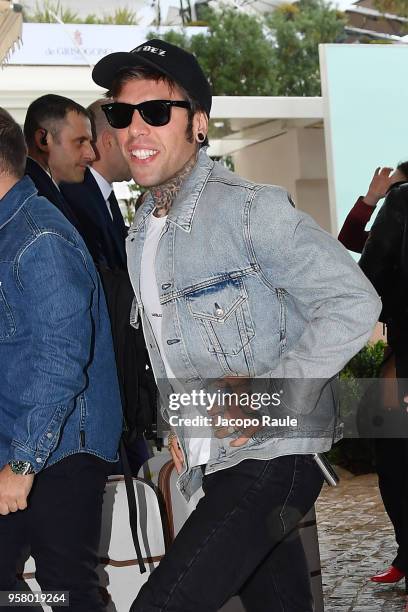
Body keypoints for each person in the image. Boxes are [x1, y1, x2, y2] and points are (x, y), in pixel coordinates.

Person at [92, 39, 381, 611]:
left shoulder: (247, 209)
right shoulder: (141, 232)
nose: (134, 129)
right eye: (122, 114)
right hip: (217, 463)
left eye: (155, 112)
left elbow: (353, 300)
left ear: (198, 124)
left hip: (271, 458)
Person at [0, 107, 122, 611]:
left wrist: (23, 462)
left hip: (57, 450)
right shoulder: (14, 231)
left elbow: (59, 358)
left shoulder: (38, 237)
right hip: (30, 445)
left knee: (68, 588)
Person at [61, 98, 153, 473]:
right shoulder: (75, 196)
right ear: (108, 141)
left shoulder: (105, 198)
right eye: (127, 133)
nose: (137, 143)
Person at [339, 164, 408, 586]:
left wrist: (381, 198)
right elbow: (354, 244)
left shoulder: (402, 202)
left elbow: (366, 276)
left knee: (396, 462)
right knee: (393, 459)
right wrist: (370, 199)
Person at [61, 98, 130, 269]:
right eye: (130, 139)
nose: (137, 147)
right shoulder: (75, 202)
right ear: (108, 141)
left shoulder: (103, 195)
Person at [23, 94, 95, 226]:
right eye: (80, 142)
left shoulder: (38, 189)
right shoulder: (33, 198)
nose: (92, 155)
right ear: (42, 140)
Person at [338, 163, 408, 253]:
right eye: (390, 191)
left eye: (396, 189)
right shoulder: (393, 236)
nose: (391, 197)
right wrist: (372, 196)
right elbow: (349, 240)